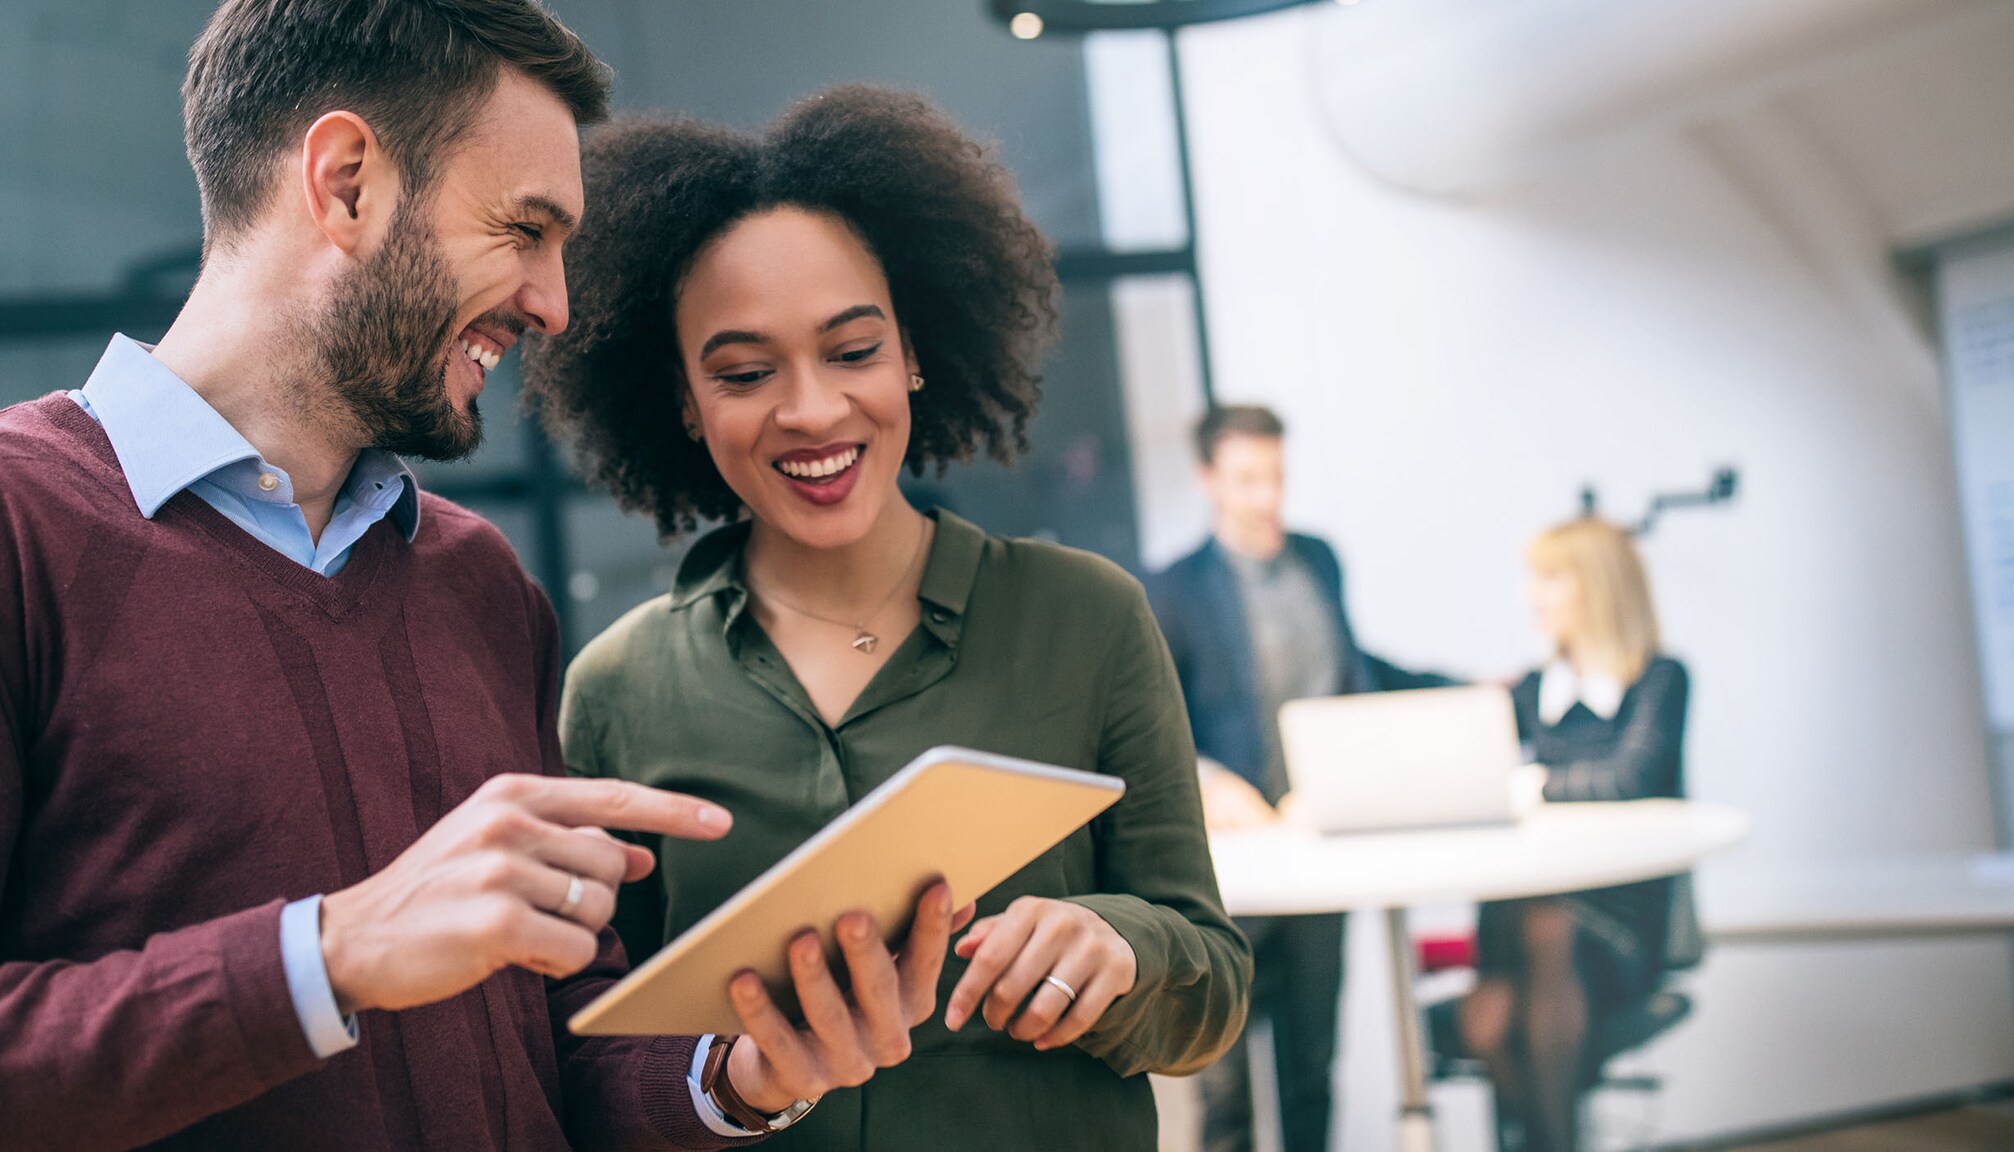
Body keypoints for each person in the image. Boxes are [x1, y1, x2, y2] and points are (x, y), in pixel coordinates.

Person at [0, 4, 956, 1148]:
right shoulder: (23, 528)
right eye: (524, 229)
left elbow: (556, 1027)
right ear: (347, 181)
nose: (553, 303)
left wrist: (734, 1076)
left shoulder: (477, 581)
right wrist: (330, 955)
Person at [523, 87, 1252, 1150]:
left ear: (915, 349)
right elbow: (591, 1057)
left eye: (852, 350)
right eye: (742, 372)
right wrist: (736, 1079)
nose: (812, 409)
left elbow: (1211, 981)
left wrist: (1121, 946)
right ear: (680, 398)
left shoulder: (1083, 619)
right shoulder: (618, 689)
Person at [1147, 404, 1453, 1152]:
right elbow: (1156, 715)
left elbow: (1358, 668)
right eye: (1248, 479)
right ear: (1209, 480)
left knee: (1313, 1069)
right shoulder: (1175, 588)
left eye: (1276, 477)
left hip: (1320, 846)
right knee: (1223, 1083)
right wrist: (1209, 779)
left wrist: (1466, 687)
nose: (1267, 497)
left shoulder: (1320, 559)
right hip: (1232, 869)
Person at [1457, 518, 1691, 1152]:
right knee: (1488, 1015)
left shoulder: (1658, 681)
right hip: (1520, 931)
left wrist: (1527, 786)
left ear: (1599, 587)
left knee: (1526, 962)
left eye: (1550, 578)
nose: (1532, 596)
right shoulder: (1529, 692)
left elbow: (1629, 777)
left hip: (1613, 928)